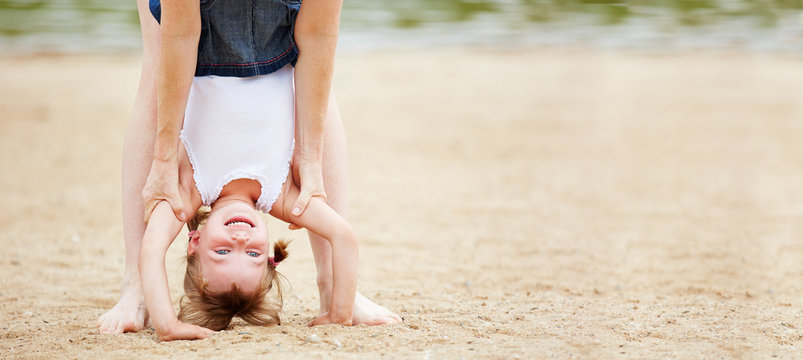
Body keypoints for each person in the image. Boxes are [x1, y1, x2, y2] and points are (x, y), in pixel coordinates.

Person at [97, 0, 400, 336]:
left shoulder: (188, 189)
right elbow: (343, 235)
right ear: (270, 250)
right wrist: (339, 313)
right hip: (277, 54)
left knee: (167, 54)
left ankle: (141, 289)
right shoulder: (284, 196)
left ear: (193, 242)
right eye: (253, 253)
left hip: (202, 45)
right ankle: (135, 289)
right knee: (310, 64)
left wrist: (168, 325)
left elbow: (152, 250)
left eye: (223, 250)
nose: (240, 237)